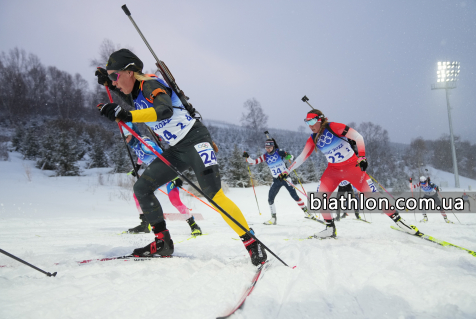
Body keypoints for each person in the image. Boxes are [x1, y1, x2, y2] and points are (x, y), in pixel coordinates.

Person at [95, 48, 267, 265]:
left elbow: (164, 110)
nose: (114, 82)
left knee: (215, 196)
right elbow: (126, 95)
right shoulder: (135, 92)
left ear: (130, 72)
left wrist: (126, 114)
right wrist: (108, 83)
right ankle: (162, 242)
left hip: (195, 140)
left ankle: (251, 242)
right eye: (111, 77)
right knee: (142, 188)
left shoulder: (150, 84)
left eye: (115, 76)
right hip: (176, 149)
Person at [278, 109, 418, 238]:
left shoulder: (333, 127)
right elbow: (302, 157)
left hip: (353, 167)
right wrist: (287, 171)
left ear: (320, 120)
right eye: (307, 122)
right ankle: (330, 228)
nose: (310, 125)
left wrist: (362, 157)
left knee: (373, 196)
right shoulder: (313, 138)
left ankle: (400, 221)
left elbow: (358, 137)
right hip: (333, 171)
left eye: (313, 121)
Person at [122, 123, 202, 236]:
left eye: (127, 136)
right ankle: (144, 224)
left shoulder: (146, 145)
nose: (126, 140)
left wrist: (175, 176)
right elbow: (141, 156)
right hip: (156, 175)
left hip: (169, 173)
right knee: (138, 194)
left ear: (133, 135)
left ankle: (194, 225)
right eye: (124, 138)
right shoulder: (137, 146)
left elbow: (165, 157)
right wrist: (137, 168)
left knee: (175, 200)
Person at [243, 139, 308, 225]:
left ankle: (307, 212)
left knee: (294, 196)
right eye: (266, 148)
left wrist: (288, 156)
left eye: (269, 147)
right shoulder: (265, 156)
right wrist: (248, 157)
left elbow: (291, 157)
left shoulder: (279, 152)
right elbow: (254, 162)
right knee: (270, 198)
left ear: (273, 146)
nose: (268, 149)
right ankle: (273, 218)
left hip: (285, 178)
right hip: (276, 180)